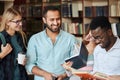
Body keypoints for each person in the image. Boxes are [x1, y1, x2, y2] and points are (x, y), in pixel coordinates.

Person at [26, 6, 78, 80]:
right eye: (52, 20)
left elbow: (76, 63)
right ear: (44, 20)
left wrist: (64, 75)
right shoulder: (34, 39)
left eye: (58, 19)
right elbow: (29, 65)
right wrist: (44, 74)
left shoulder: (71, 39)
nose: (55, 23)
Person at [0, 6, 29, 80]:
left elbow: (24, 55)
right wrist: (2, 54)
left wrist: (25, 60)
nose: (21, 24)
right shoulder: (1, 37)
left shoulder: (21, 36)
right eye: (17, 22)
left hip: (22, 77)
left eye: (21, 20)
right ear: (8, 22)